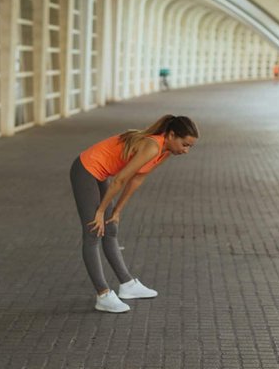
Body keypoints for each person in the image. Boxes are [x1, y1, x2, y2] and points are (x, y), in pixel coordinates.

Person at [70, 114, 199, 313]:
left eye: (190, 147)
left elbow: (137, 179)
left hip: (100, 173)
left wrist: (117, 211)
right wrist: (101, 211)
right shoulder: (153, 146)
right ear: (172, 135)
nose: (186, 150)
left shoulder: (164, 151)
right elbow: (120, 180)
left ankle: (127, 285)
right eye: (185, 144)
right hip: (85, 170)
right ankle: (103, 294)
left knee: (110, 228)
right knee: (93, 231)